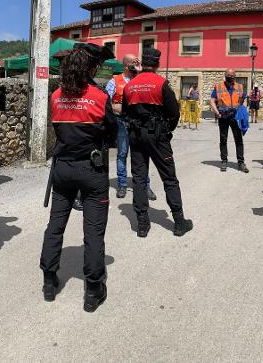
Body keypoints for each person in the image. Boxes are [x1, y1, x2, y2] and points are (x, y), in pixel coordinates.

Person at [40, 45, 116, 312]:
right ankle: (93, 290)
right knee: (93, 231)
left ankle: (49, 281)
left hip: (62, 168)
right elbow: (114, 131)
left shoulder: (56, 96)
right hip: (91, 169)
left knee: (55, 226)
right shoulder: (98, 97)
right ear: (90, 69)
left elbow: (58, 128)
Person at [122, 48, 194, 238]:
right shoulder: (161, 84)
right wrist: (167, 130)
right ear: (157, 64)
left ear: (143, 63)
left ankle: (142, 224)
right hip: (157, 136)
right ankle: (179, 222)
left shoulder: (130, 86)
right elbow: (174, 113)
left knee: (139, 178)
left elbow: (125, 113)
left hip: (136, 135)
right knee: (169, 178)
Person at [105, 54, 157, 200]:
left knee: (142, 155)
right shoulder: (114, 81)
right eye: (135, 62)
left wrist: (140, 71)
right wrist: (116, 108)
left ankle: (145, 186)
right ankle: (122, 185)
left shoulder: (141, 79)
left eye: (138, 61)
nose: (138, 63)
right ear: (127, 65)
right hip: (122, 122)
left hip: (139, 123)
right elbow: (106, 102)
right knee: (122, 154)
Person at [210, 69, 249, 173]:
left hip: (235, 117)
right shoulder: (219, 86)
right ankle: (224, 160)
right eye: (228, 75)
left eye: (232, 75)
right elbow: (212, 100)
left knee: (238, 139)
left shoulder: (239, 87)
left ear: (235, 76)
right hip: (223, 117)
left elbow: (244, 100)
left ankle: (240, 162)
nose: (230, 76)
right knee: (223, 139)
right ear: (225, 75)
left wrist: (243, 111)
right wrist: (217, 113)